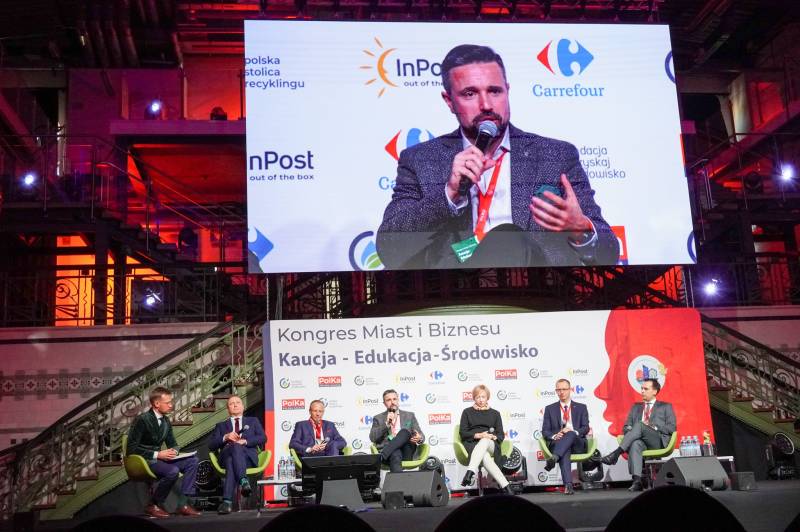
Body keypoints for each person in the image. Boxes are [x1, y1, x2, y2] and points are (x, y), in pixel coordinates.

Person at [376, 44, 619, 270]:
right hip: (458, 289)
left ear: (507, 91)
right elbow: (389, 249)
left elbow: (609, 253)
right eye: (470, 93)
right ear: (449, 101)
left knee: (509, 238)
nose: (486, 105)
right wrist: (449, 194)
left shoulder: (555, 155)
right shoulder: (421, 160)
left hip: (535, 287)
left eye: (494, 91)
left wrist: (581, 229)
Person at [126, 386, 201, 518]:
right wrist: (158, 454)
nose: (171, 405)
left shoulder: (166, 421)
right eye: (168, 403)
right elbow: (131, 449)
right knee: (173, 471)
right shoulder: (142, 420)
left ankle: (183, 504)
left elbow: (173, 444)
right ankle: (152, 504)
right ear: (156, 403)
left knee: (192, 461)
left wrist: (174, 452)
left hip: (160, 459)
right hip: (144, 460)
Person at [598, 378, 676, 491]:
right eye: (642, 388)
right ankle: (637, 481)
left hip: (657, 441)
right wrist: (630, 429)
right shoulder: (636, 407)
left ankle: (615, 454)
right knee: (635, 444)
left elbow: (672, 427)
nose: (642, 391)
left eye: (646, 389)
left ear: (654, 391)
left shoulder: (665, 406)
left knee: (640, 425)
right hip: (641, 441)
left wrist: (653, 426)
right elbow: (626, 427)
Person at [208, 395, 267, 514]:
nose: (235, 405)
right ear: (228, 409)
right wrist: (225, 437)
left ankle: (227, 502)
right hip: (226, 455)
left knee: (231, 461)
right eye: (231, 403)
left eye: (238, 402)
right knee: (234, 448)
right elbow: (211, 445)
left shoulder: (253, 421)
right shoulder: (221, 426)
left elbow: (263, 438)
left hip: (247, 458)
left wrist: (245, 441)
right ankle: (243, 481)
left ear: (243, 407)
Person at [459, 384, 511, 494]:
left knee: (485, 440)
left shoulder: (495, 413)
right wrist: (479, 435)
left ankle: (469, 472)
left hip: (491, 444)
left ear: (487, 397)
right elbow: (463, 433)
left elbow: (500, 434)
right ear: (474, 398)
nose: (481, 400)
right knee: (485, 456)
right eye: (478, 397)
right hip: (472, 443)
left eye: (483, 397)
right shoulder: (467, 412)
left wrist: (493, 437)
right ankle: (506, 487)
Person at [541, 378, 589, 495]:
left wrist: (573, 431)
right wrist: (555, 436)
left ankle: (554, 458)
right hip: (559, 444)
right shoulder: (550, 409)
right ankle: (568, 485)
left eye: (564, 389)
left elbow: (585, 428)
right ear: (556, 391)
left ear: (570, 390)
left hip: (577, 444)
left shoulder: (581, 407)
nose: (561, 392)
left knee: (570, 433)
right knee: (565, 449)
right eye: (558, 390)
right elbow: (545, 431)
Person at [369, 389, 424, 473]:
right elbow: (372, 438)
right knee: (395, 453)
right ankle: (399, 482)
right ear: (384, 403)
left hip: (407, 452)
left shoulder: (409, 415)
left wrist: (419, 438)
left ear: (398, 400)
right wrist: (386, 424)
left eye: (394, 399)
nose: (392, 402)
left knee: (404, 432)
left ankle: (382, 456)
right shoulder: (378, 418)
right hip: (391, 455)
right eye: (388, 400)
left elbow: (421, 435)